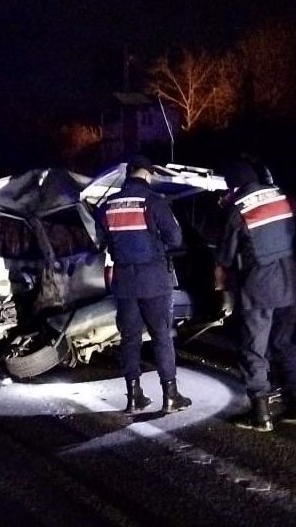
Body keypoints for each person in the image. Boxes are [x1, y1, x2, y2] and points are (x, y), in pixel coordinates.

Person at [215, 161, 296, 432]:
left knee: (254, 350)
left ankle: (260, 414)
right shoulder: (280, 196)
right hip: (291, 283)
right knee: (283, 342)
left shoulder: (238, 209)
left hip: (259, 289)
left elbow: (226, 256)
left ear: (234, 186)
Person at [96, 154, 192, 415]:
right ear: (147, 174)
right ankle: (170, 395)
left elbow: (100, 241)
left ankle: (133, 396)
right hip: (154, 280)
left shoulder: (108, 205)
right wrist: (155, 247)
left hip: (124, 282)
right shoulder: (154, 202)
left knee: (129, 339)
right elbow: (175, 238)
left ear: (129, 174)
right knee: (162, 336)